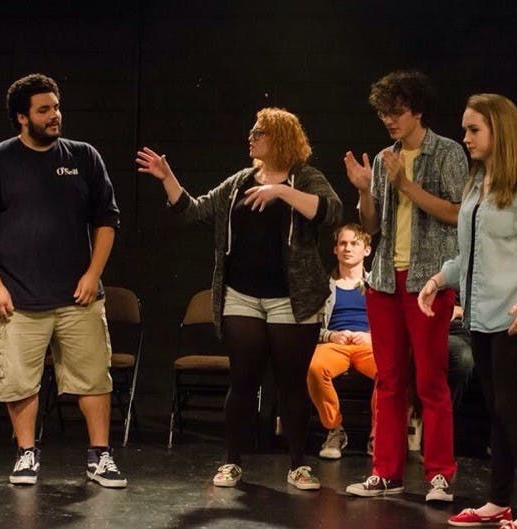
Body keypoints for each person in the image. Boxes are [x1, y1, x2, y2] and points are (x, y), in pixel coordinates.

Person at [136, 107, 342, 491]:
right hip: (241, 296)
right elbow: (195, 211)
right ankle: (232, 461)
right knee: (243, 380)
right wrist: (168, 179)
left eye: (259, 131)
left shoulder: (306, 178)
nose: (250, 136)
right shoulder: (239, 182)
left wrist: (280, 191)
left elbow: (330, 212)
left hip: (291, 299)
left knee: (291, 384)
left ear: (279, 138)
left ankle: (298, 464)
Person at [0, 73, 125, 488]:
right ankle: (26, 453)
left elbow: (107, 220)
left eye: (56, 107)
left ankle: (99, 456)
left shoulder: (84, 156)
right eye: (44, 110)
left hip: (78, 298)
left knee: (93, 377)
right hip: (16, 298)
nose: (55, 116)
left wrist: (93, 274)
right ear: (22, 117)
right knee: (19, 380)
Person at [418, 93, 517, 529]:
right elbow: (469, 254)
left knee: (513, 410)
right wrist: (438, 280)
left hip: (516, 317)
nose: (465, 137)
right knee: (497, 410)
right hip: (481, 316)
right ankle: (499, 501)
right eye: (465, 129)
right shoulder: (477, 184)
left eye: (473, 129)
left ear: (499, 130)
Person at [343, 70, 467, 501]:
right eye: (383, 114)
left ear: (417, 110)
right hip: (383, 282)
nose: (389, 121)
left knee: (431, 380)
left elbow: (455, 213)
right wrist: (364, 191)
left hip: (428, 280)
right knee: (389, 379)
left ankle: (440, 475)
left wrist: (405, 184)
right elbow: (371, 226)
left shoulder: (448, 153)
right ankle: (386, 472)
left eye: (396, 113)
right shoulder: (383, 159)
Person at [307, 223, 376, 460]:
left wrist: (372, 337)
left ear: (366, 250)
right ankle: (335, 429)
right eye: (343, 243)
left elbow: (394, 324)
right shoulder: (323, 287)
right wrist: (331, 335)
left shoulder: (377, 285)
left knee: (391, 371)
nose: (348, 248)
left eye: (354, 243)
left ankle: (379, 435)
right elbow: (309, 325)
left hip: (368, 344)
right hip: (334, 344)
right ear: (335, 249)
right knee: (315, 368)